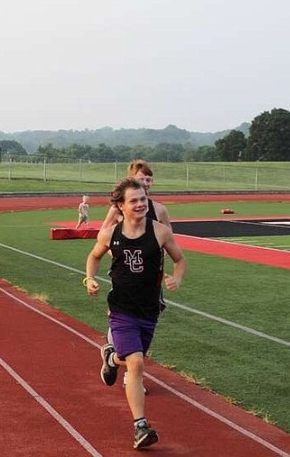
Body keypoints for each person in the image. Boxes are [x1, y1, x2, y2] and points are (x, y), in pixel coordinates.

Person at [84, 177, 186, 450]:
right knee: (137, 363)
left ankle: (110, 357)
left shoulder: (160, 232)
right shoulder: (110, 234)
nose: (141, 204)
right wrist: (89, 278)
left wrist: (176, 277)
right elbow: (94, 257)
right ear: (121, 205)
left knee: (131, 359)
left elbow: (179, 259)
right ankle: (140, 426)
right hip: (121, 309)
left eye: (143, 199)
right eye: (134, 201)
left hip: (149, 311)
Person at [100, 159, 172, 390]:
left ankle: (117, 360)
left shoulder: (159, 210)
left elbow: (169, 239)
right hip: (125, 274)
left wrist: (166, 266)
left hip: (151, 278)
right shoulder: (119, 208)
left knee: (146, 322)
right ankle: (129, 373)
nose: (146, 183)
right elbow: (104, 233)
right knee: (123, 316)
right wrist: (118, 253)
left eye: (149, 179)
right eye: (142, 179)